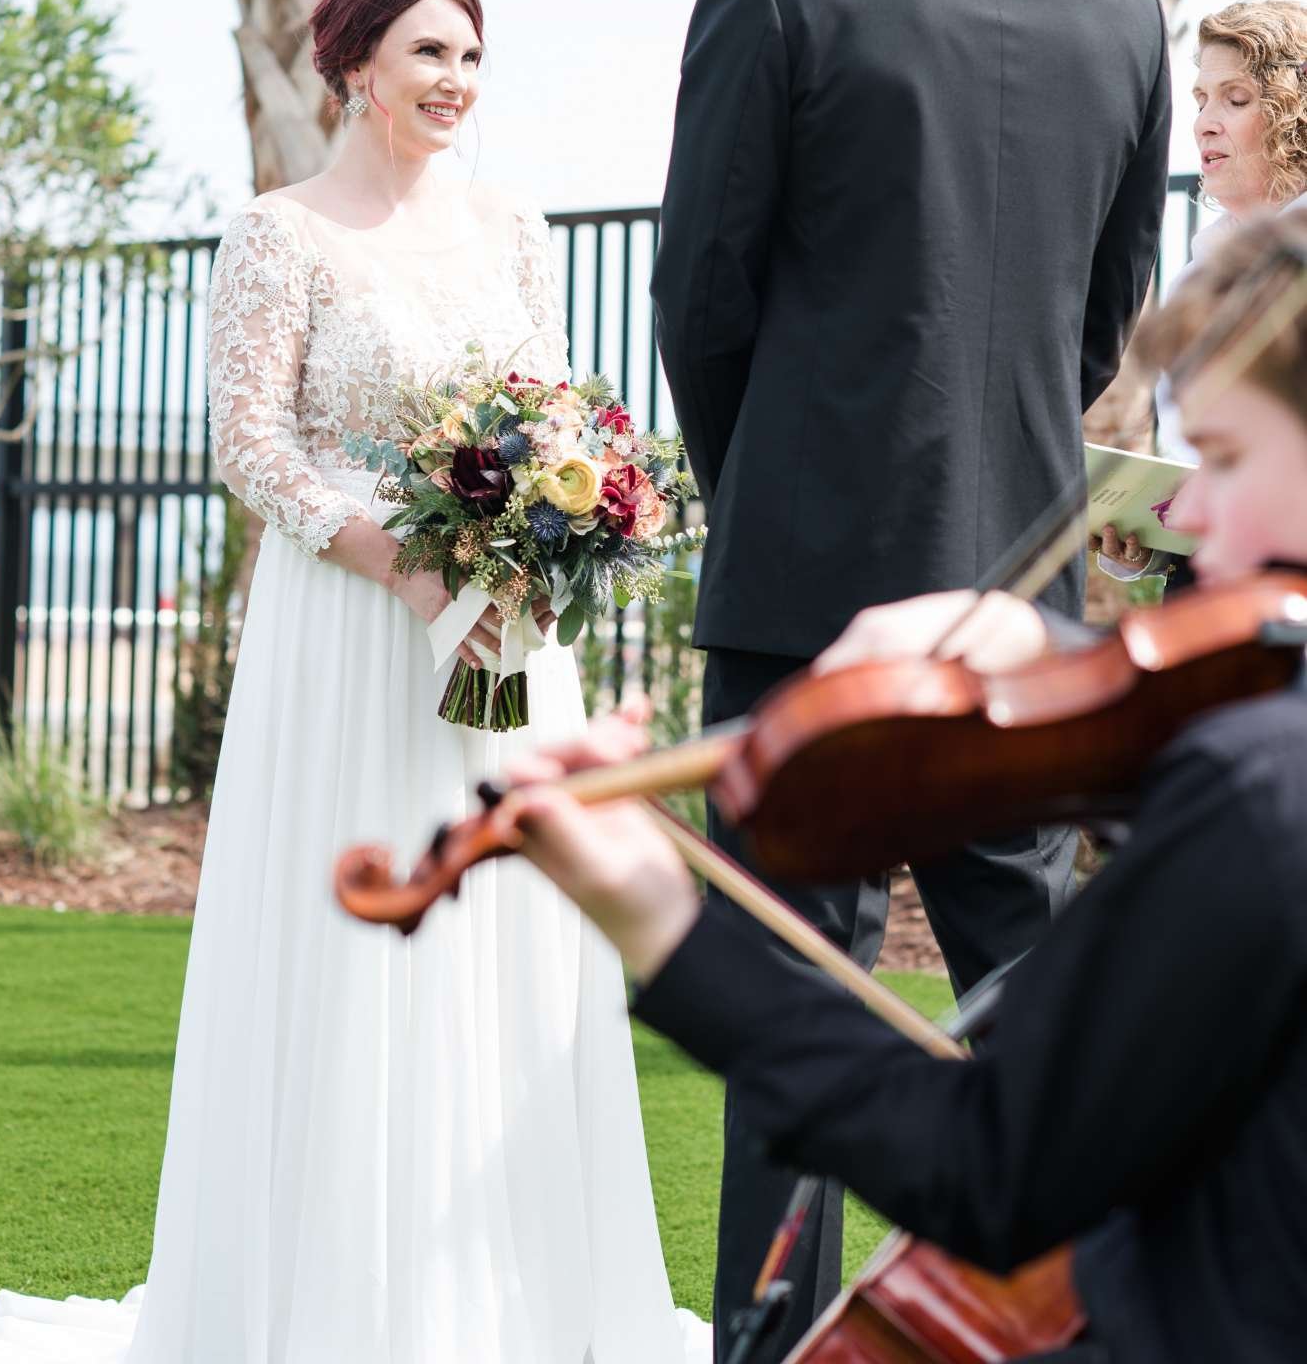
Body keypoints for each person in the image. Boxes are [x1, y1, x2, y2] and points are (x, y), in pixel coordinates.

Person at [0, 0, 706, 1363]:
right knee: (358, 940)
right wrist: (392, 553)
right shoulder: (277, 234)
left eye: (471, 59)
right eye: (428, 54)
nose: (454, 84)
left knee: (510, 928)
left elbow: (549, 408)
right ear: (355, 65)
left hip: (505, 626)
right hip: (348, 629)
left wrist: (560, 528)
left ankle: (519, 1303)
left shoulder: (511, 227)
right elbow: (249, 443)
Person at [509, 203, 1307, 1364]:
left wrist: (668, 922)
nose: (1185, 511)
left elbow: (992, 1169)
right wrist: (1055, 658)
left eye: (1226, 457)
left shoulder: (1255, 788)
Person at [649, 0, 1171, 1357]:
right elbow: (1112, 308)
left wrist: (770, 496)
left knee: (791, 984)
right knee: (1032, 982)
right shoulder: (1119, 8)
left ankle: (771, 1335)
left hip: (804, 584)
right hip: (1026, 594)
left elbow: (701, 298)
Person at [1093, 0, 1307, 581]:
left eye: (1235, 99)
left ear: (1295, 116)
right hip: (1207, 587)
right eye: (1200, 99)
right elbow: (1193, 466)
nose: (1204, 122)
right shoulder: (1199, 267)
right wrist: (1148, 544)